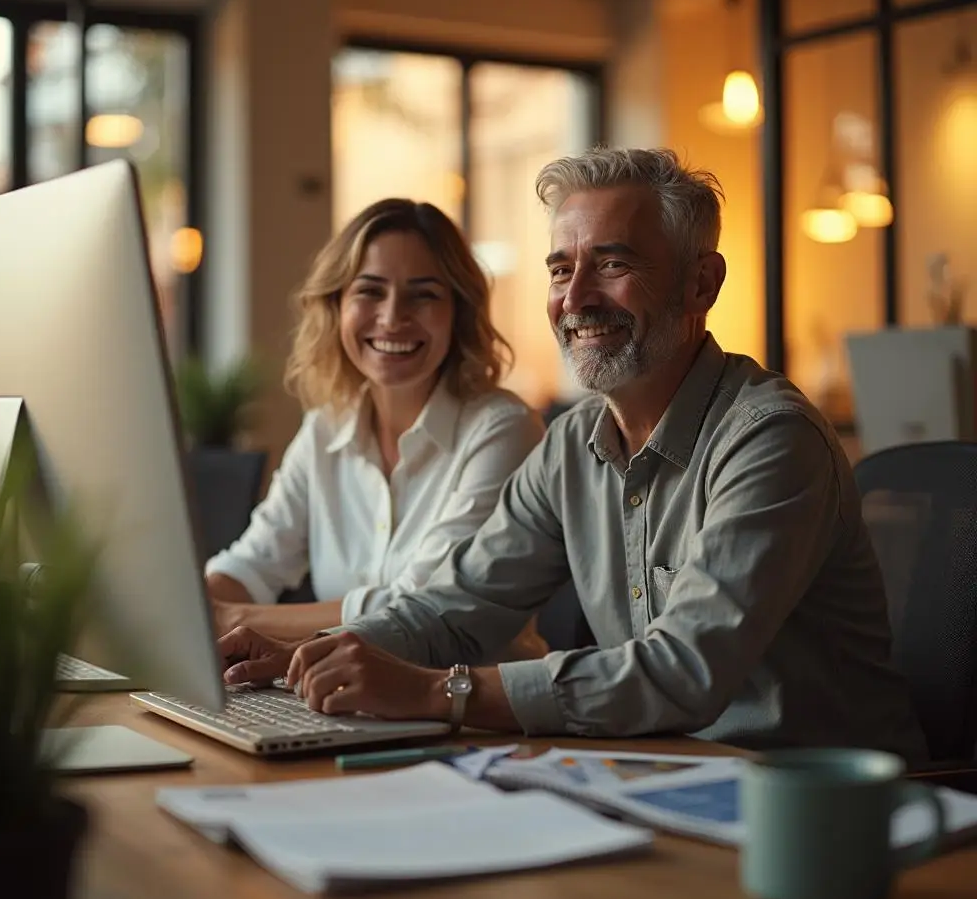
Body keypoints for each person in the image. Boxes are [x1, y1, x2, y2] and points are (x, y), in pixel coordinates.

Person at [218, 148, 926, 761]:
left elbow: (682, 672)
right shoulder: (571, 447)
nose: (577, 298)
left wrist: (438, 691)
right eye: (561, 270)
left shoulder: (771, 439)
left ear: (700, 284)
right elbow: (457, 609)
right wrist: (328, 655)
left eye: (612, 263)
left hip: (815, 809)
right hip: (658, 777)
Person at [206, 197, 547, 659]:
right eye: (369, 290)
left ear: (458, 312)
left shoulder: (503, 430)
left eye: (423, 294)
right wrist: (199, 603)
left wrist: (235, 618)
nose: (392, 317)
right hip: (346, 701)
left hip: (474, 714)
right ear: (337, 305)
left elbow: (418, 607)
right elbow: (256, 562)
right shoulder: (326, 428)